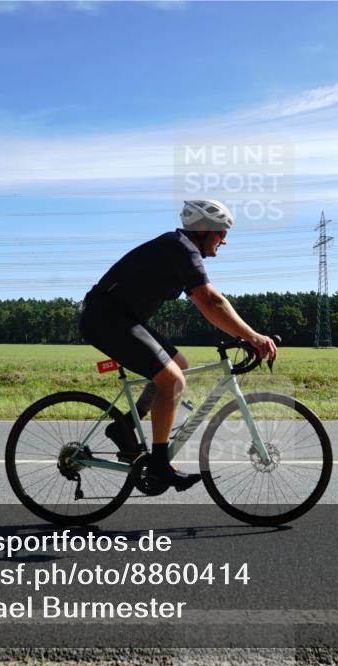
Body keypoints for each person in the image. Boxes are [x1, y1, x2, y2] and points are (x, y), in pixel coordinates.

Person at [79, 199, 278, 492]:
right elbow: (210, 300)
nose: (224, 241)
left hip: (123, 318)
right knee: (171, 379)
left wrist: (244, 335)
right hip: (106, 319)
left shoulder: (180, 249)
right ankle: (159, 466)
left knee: (179, 366)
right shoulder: (181, 248)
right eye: (221, 233)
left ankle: (123, 429)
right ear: (202, 229)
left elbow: (206, 305)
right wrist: (252, 336)